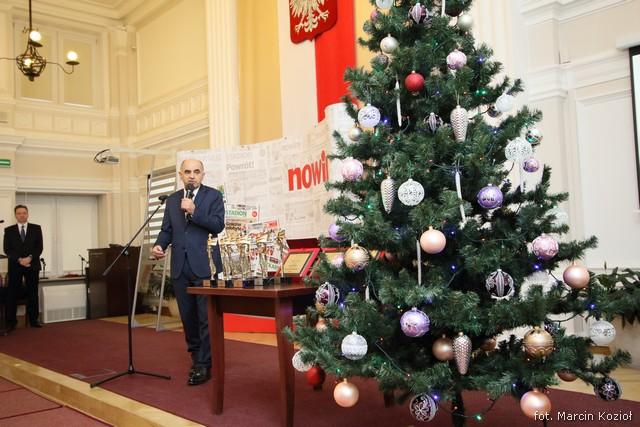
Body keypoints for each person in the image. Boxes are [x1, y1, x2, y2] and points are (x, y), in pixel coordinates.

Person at [152, 159, 225, 386]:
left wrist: (194, 211)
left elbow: (218, 225)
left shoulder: (213, 196)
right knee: (188, 318)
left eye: (196, 172)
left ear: (203, 174)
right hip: (180, 267)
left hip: (204, 266)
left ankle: (204, 364)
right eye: (187, 172)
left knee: (205, 318)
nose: (192, 175)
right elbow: (167, 230)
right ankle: (196, 358)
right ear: (180, 175)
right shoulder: (173, 200)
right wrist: (159, 245)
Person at [3, 205, 44, 331]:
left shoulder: (36, 228)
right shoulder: (9, 230)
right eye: (19, 213)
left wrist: (30, 258)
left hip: (32, 264)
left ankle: (33, 320)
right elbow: (7, 249)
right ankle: (11, 322)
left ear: (28, 214)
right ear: (15, 215)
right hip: (16, 265)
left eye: (24, 213)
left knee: (33, 293)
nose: (22, 215)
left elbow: (39, 247)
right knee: (12, 294)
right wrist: (20, 260)